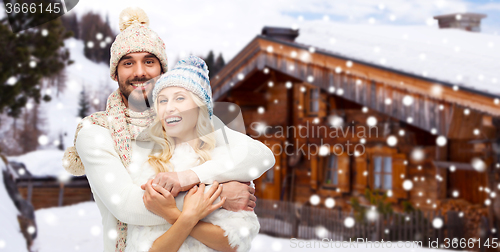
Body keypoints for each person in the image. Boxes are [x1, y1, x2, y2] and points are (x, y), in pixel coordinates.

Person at [62, 7, 275, 252]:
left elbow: (259, 156)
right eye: (128, 63)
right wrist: (220, 194)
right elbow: (129, 206)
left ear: (161, 70)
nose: (140, 72)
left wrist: (188, 178)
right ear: (115, 73)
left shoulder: (186, 119)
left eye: (149, 62)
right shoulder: (96, 132)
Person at [125, 56, 261, 252]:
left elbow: (233, 243)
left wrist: (172, 214)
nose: (169, 107)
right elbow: (147, 248)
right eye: (162, 100)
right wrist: (191, 213)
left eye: (180, 98)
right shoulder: (148, 163)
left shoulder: (225, 162)